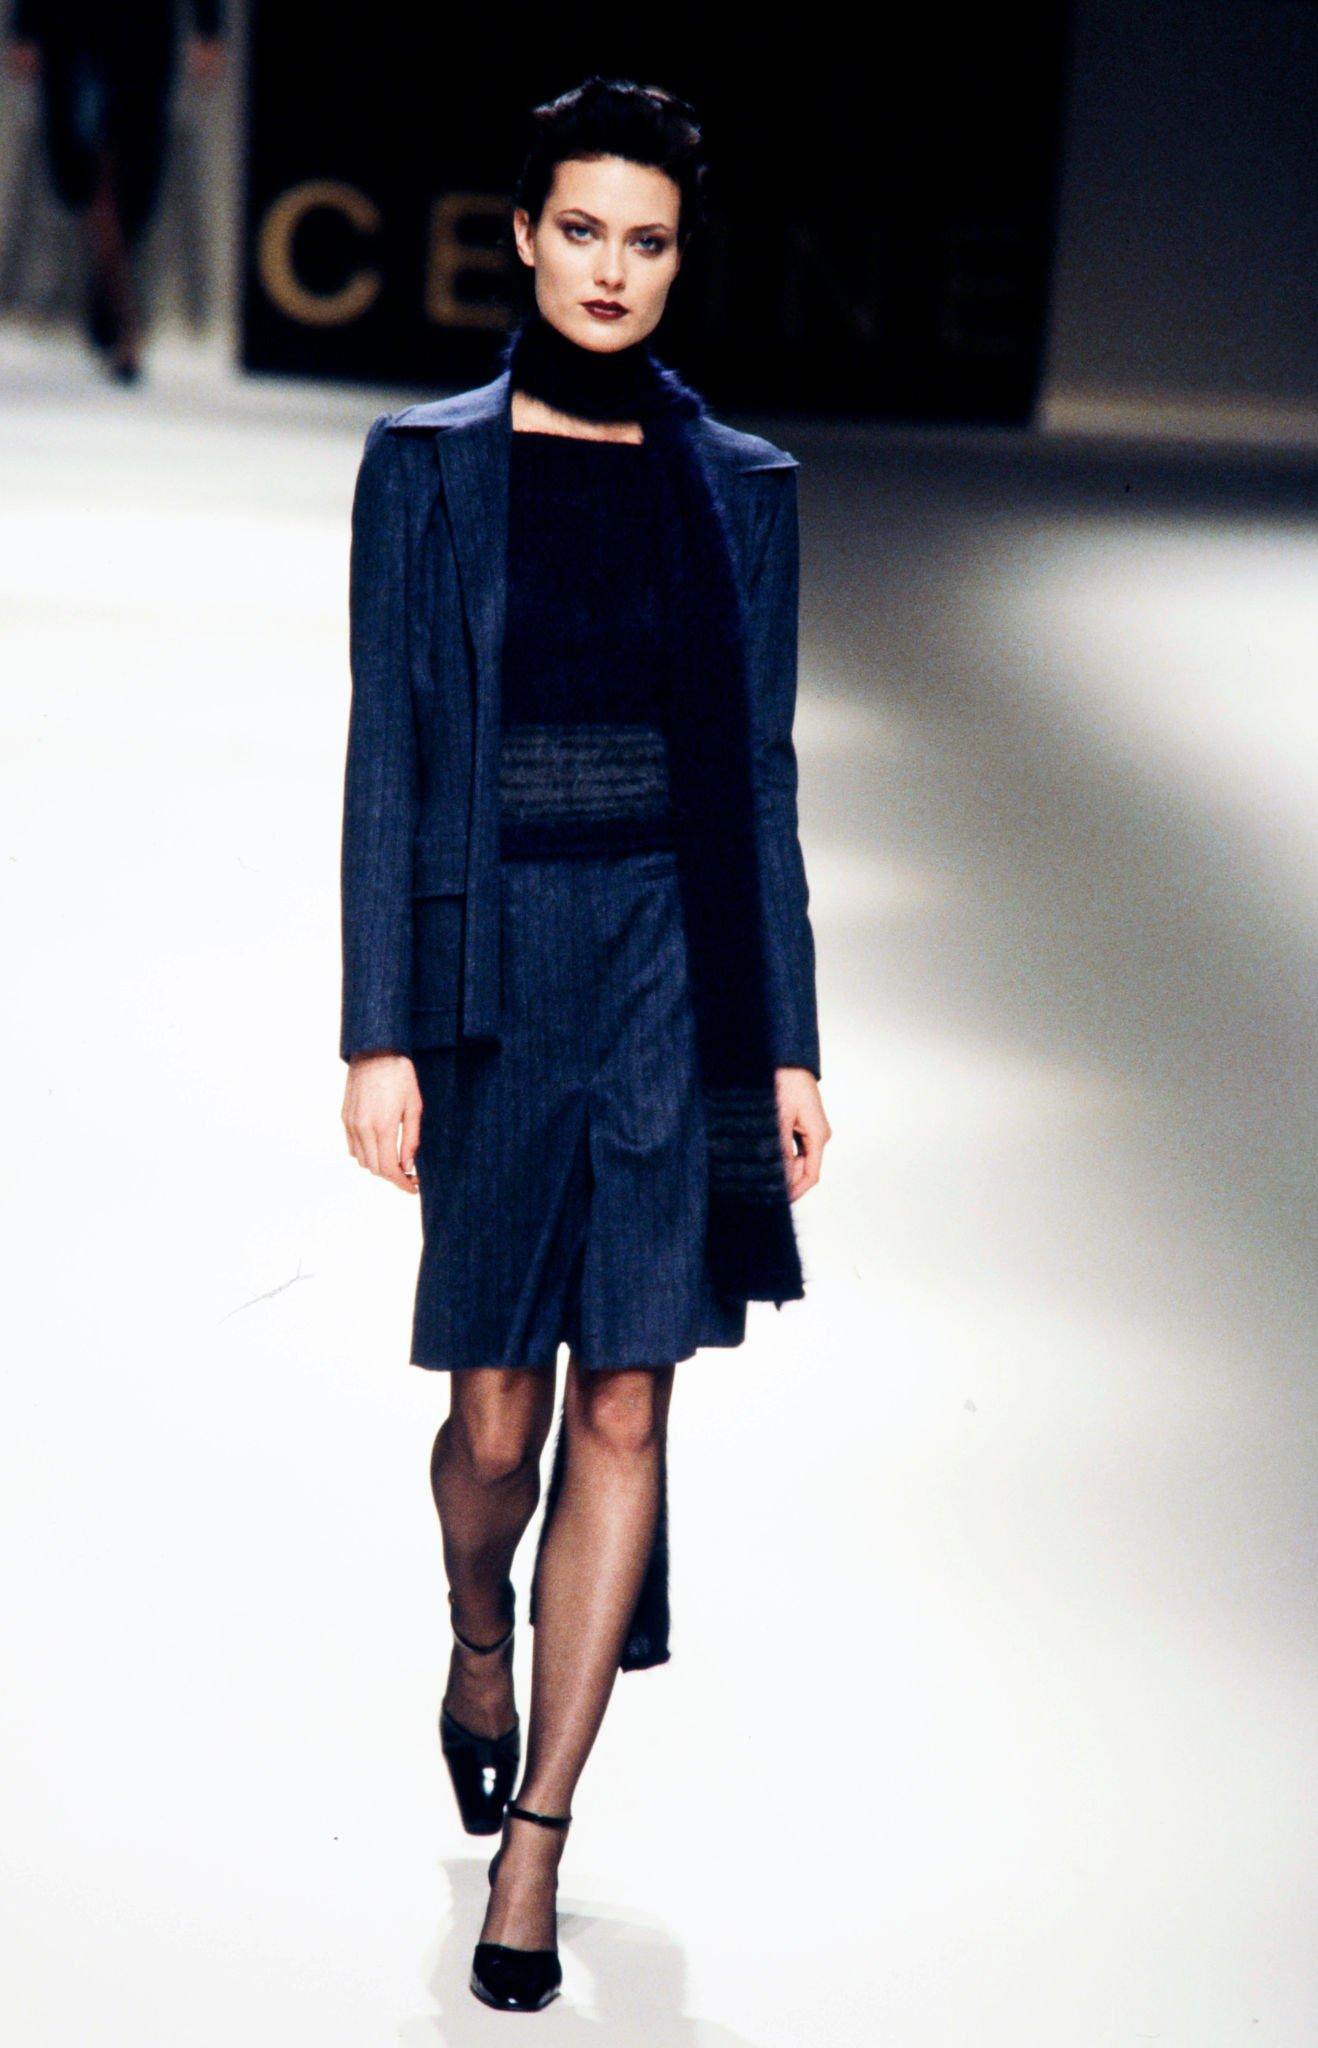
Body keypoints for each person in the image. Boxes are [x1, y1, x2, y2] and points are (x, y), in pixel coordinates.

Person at [338, 75, 830, 2014]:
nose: (611, 270)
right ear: (523, 238)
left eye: (648, 240)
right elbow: (389, 756)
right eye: (581, 231)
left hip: (671, 976)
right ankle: (478, 1628)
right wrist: (378, 1028)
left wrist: (786, 1042)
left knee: (626, 1399)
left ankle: (535, 1841)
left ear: (675, 259)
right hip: (489, 978)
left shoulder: (743, 487)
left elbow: (759, 779)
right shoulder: (425, 465)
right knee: (494, 1424)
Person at [4, 0, 225, 382]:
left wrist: (208, 27)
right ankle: (118, 317)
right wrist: (24, 27)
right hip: (76, 36)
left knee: (125, 175)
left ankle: (119, 319)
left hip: (140, 33)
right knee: (89, 174)